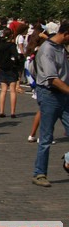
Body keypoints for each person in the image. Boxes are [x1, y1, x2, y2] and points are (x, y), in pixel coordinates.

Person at [31, 21, 69, 187]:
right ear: (66, 34)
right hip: (50, 95)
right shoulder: (47, 50)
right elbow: (52, 79)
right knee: (46, 137)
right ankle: (39, 173)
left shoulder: (61, 48)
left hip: (63, 95)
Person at [0, 28, 20, 118]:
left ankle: (1, 111)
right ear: (11, 35)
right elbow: (16, 56)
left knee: (3, 90)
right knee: (12, 90)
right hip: (11, 68)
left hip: (2, 68)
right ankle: (12, 112)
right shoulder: (12, 45)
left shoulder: (0, 45)